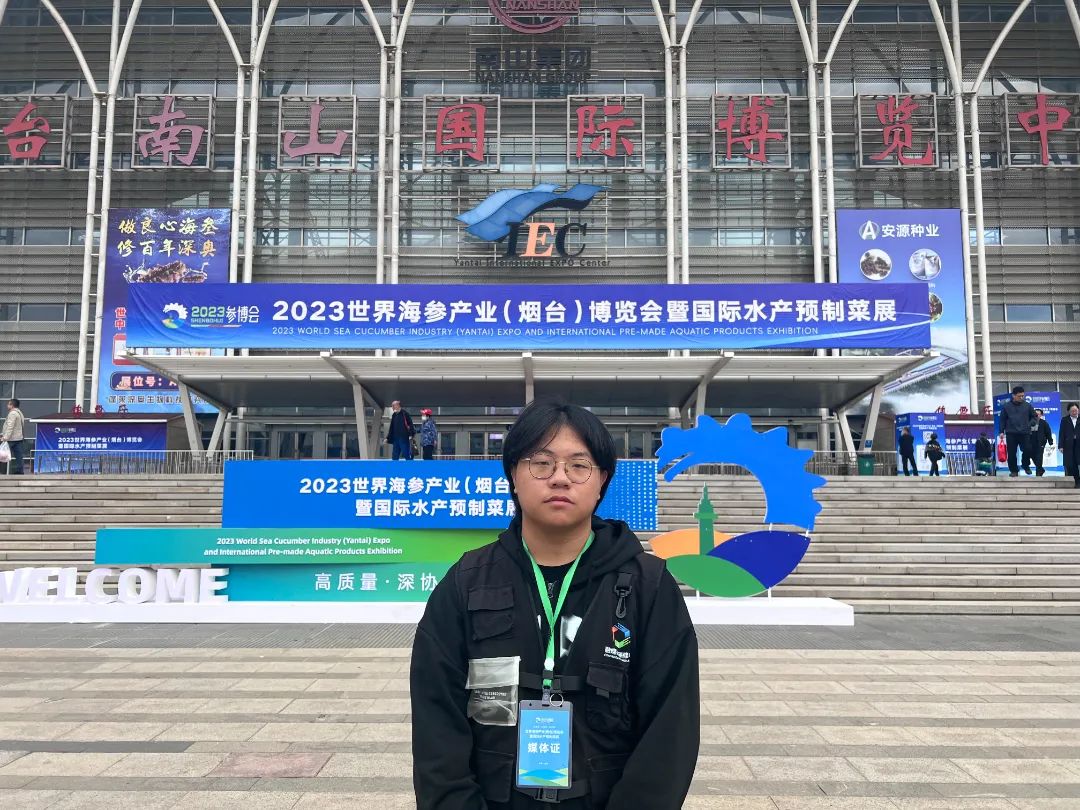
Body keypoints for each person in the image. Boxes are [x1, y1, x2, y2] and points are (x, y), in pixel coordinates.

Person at [410, 399, 699, 809]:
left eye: (579, 465)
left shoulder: (647, 587)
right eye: (541, 463)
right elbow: (436, 725)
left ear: (602, 481)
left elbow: (670, 734)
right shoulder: (466, 582)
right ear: (514, 475)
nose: (560, 478)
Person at [999, 386, 1037, 478]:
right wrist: (1001, 431)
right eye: (1019, 396)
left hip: (1025, 432)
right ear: (1013, 396)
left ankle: (1025, 465)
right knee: (1012, 453)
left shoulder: (1027, 405)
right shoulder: (1007, 406)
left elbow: (1034, 417)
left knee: (1028, 449)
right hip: (1011, 433)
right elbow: (1002, 420)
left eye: (1022, 396)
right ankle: (1014, 471)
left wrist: (1030, 424)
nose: (1021, 398)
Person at [1023, 408, 1055, 477]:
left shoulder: (1044, 423)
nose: (1036, 415)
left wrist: (1050, 441)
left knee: (1039, 458)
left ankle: (1038, 473)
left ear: (1041, 415)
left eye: (1038, 414)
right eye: (1035, 414)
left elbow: (1048, 432)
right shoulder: (1028, 421)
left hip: (1040, 443)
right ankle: (1041, 469)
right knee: (1032, 456)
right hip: (1030, 442)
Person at [2, 398, 25, 475]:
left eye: (8, 404)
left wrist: (5, 437)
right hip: (19, 438)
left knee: (2, 454)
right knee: (19, 456)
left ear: (12, 405)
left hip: (11, 439)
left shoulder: (12, 413)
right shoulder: (20, 413)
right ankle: (20, 471)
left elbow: (10, 426)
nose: (7, 405)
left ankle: (3, 471)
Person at [1060, 402, 1080, 488]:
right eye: (1072, 411)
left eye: (1076, 410)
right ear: (1068, 411)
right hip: (1069, 445)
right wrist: (1061, 446)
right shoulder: (1065, 420)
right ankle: (1076, 482)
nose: (1074, 412)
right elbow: (1061, 433)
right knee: (1071, 464)